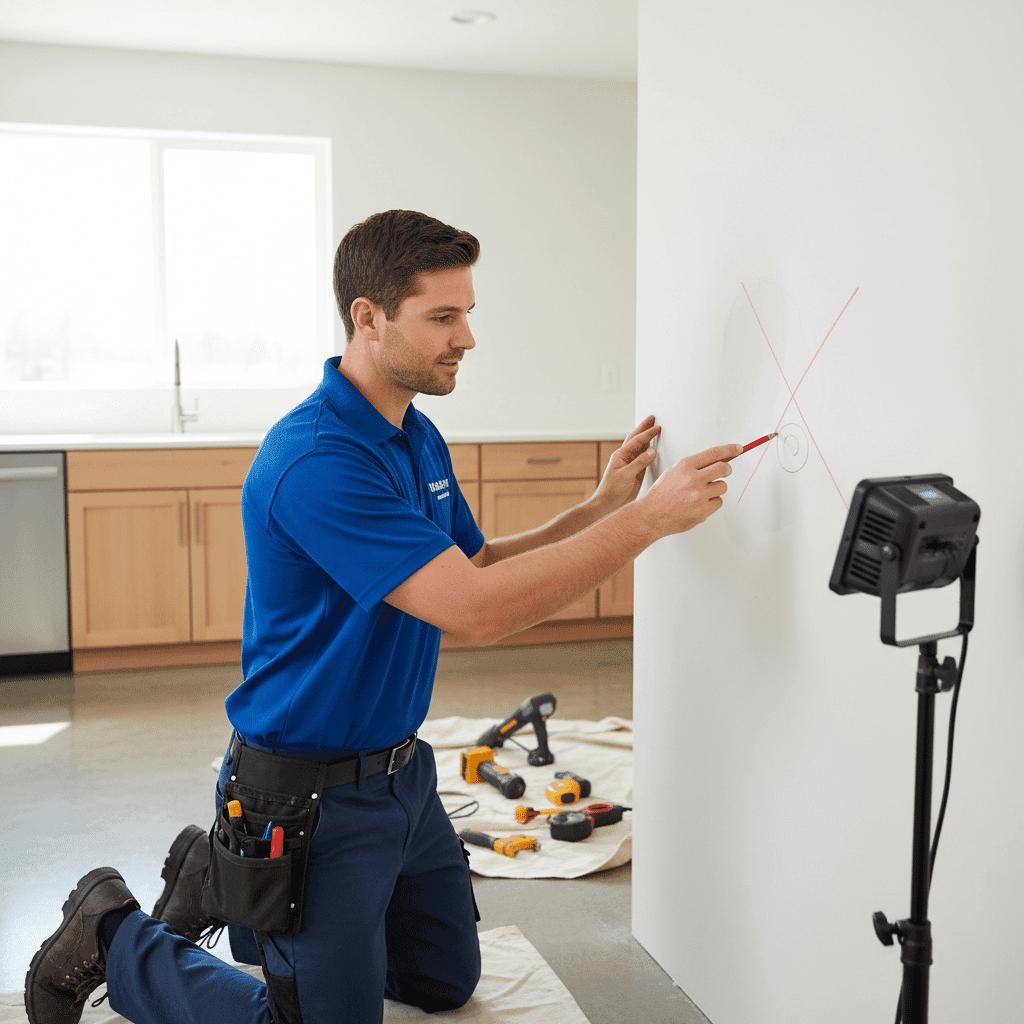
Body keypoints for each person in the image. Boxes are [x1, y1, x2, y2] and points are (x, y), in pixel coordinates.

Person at [25, 210, 741, 1024]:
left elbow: (471, 568)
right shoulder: (319, 460)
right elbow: (474, 614)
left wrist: (603, 505)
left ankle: (226, 883)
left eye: (467, 313)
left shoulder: (413, 435)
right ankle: (115, 933)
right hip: (305, 799)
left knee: (443, 982)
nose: (466, 337)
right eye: (443, 316)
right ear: (368, 317)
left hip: (404, 778)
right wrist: (648, 524)